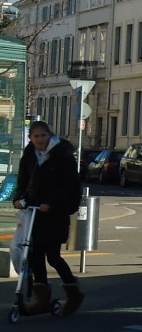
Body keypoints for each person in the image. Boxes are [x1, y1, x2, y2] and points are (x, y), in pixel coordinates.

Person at [12, 121, 85, 315]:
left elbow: (70, 186)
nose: (39, 140)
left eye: (43, 136)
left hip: (55, 213)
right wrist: (18, 199)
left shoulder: (62, 154)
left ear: (49, 135)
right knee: (35, 256)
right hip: (34, 213)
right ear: (30, 138)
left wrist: (51, 203)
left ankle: (73, 292)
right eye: (35, 136)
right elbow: (23, 182)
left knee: (53, 256)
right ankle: (42, 298)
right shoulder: (29, 155)